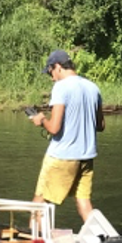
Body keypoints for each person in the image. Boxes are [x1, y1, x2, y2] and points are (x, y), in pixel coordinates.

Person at [27, 49, 105, 222]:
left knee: (39, 204)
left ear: (57, 67)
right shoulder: (93, 87)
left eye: (50, 72)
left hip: (62, 156)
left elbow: (54, 128)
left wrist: (41, 120)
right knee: (84, 202)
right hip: (86, 157)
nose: (52, 77)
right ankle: (99, 240)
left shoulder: (61, 87)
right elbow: (101, 125)